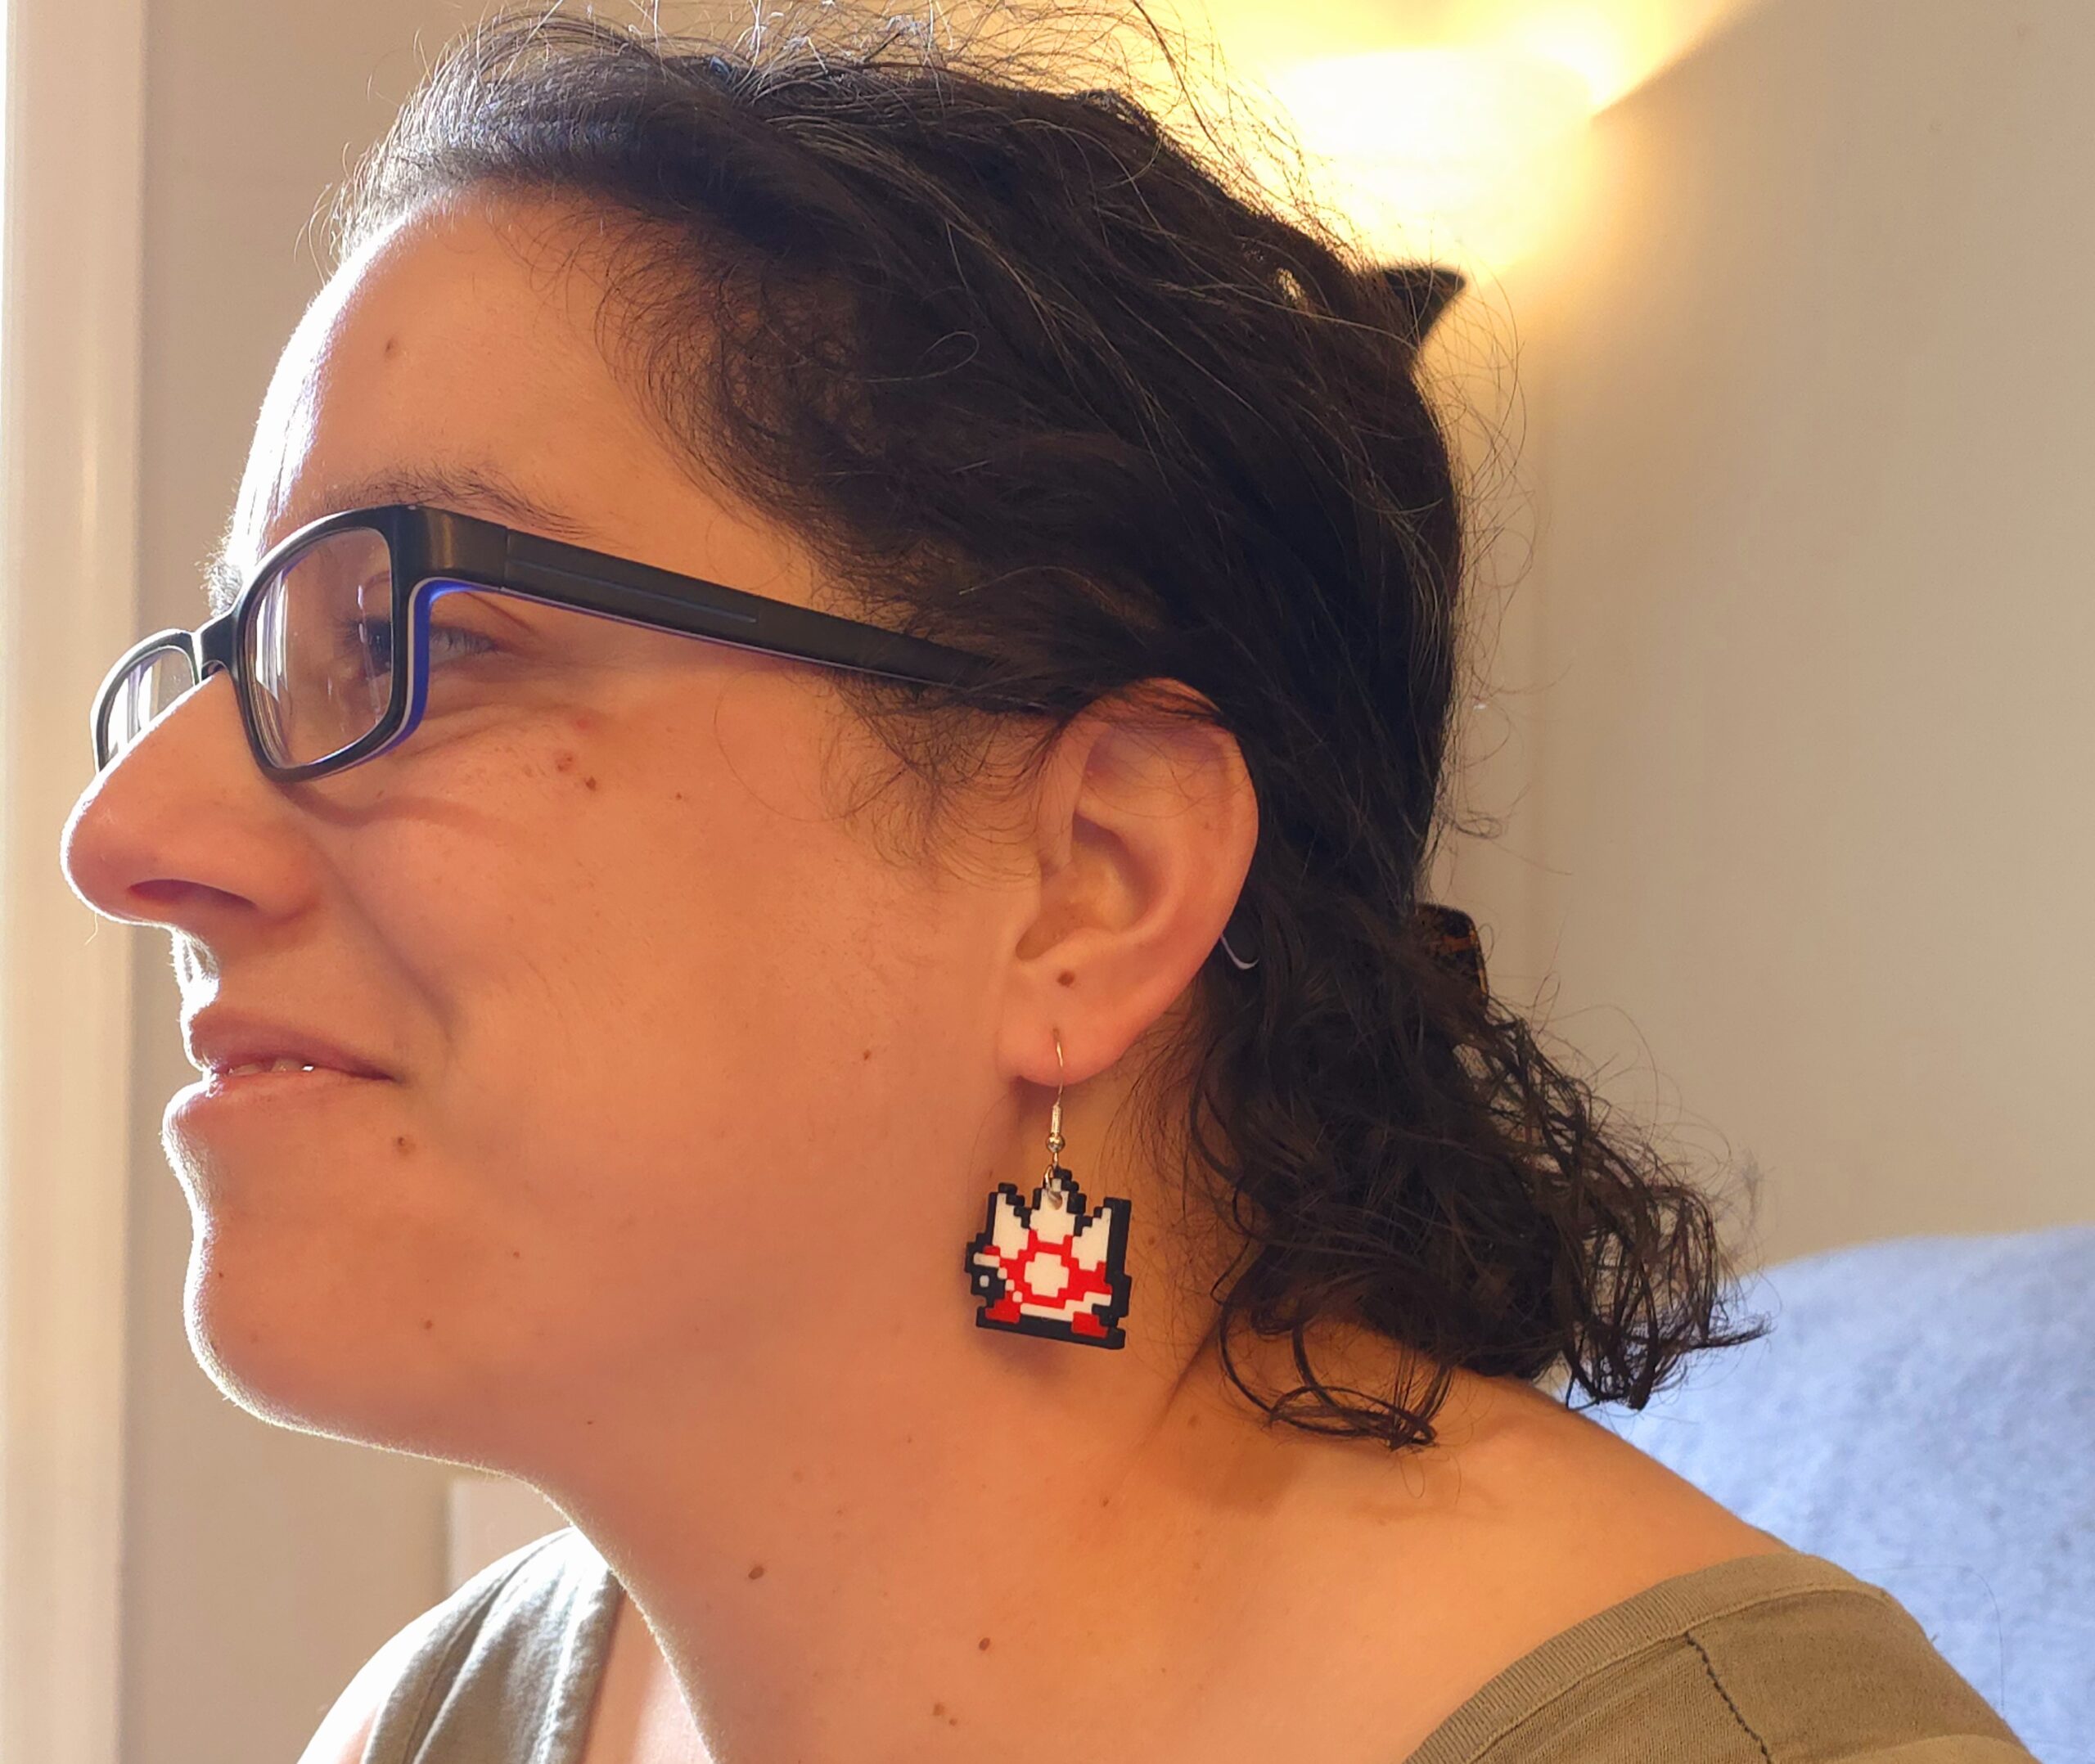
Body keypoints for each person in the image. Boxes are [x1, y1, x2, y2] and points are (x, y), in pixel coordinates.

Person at [59, 5, 2039, 1762]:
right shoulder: (446, 1716)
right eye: (223, 660)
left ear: (1090, 879)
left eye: (410, 637)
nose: (129, 838)